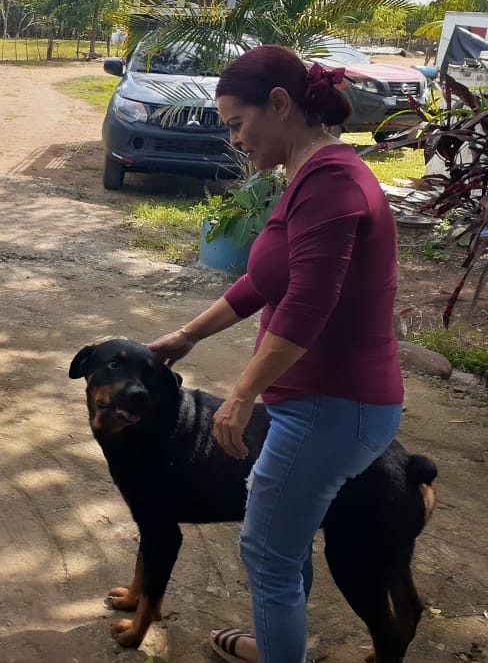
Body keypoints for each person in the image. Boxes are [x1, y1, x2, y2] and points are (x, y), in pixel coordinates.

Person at [148, 45, 404, 663]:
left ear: (281, 105)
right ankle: (277, 644)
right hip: (318, 405)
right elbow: (264, 282)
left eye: (237, 124)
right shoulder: (307, 177)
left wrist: (239, 396)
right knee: (281, 549)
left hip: (332, 407)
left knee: (267, 553)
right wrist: (188, 335)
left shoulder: (332, 182)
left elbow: (308, 307)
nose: (235, 140)